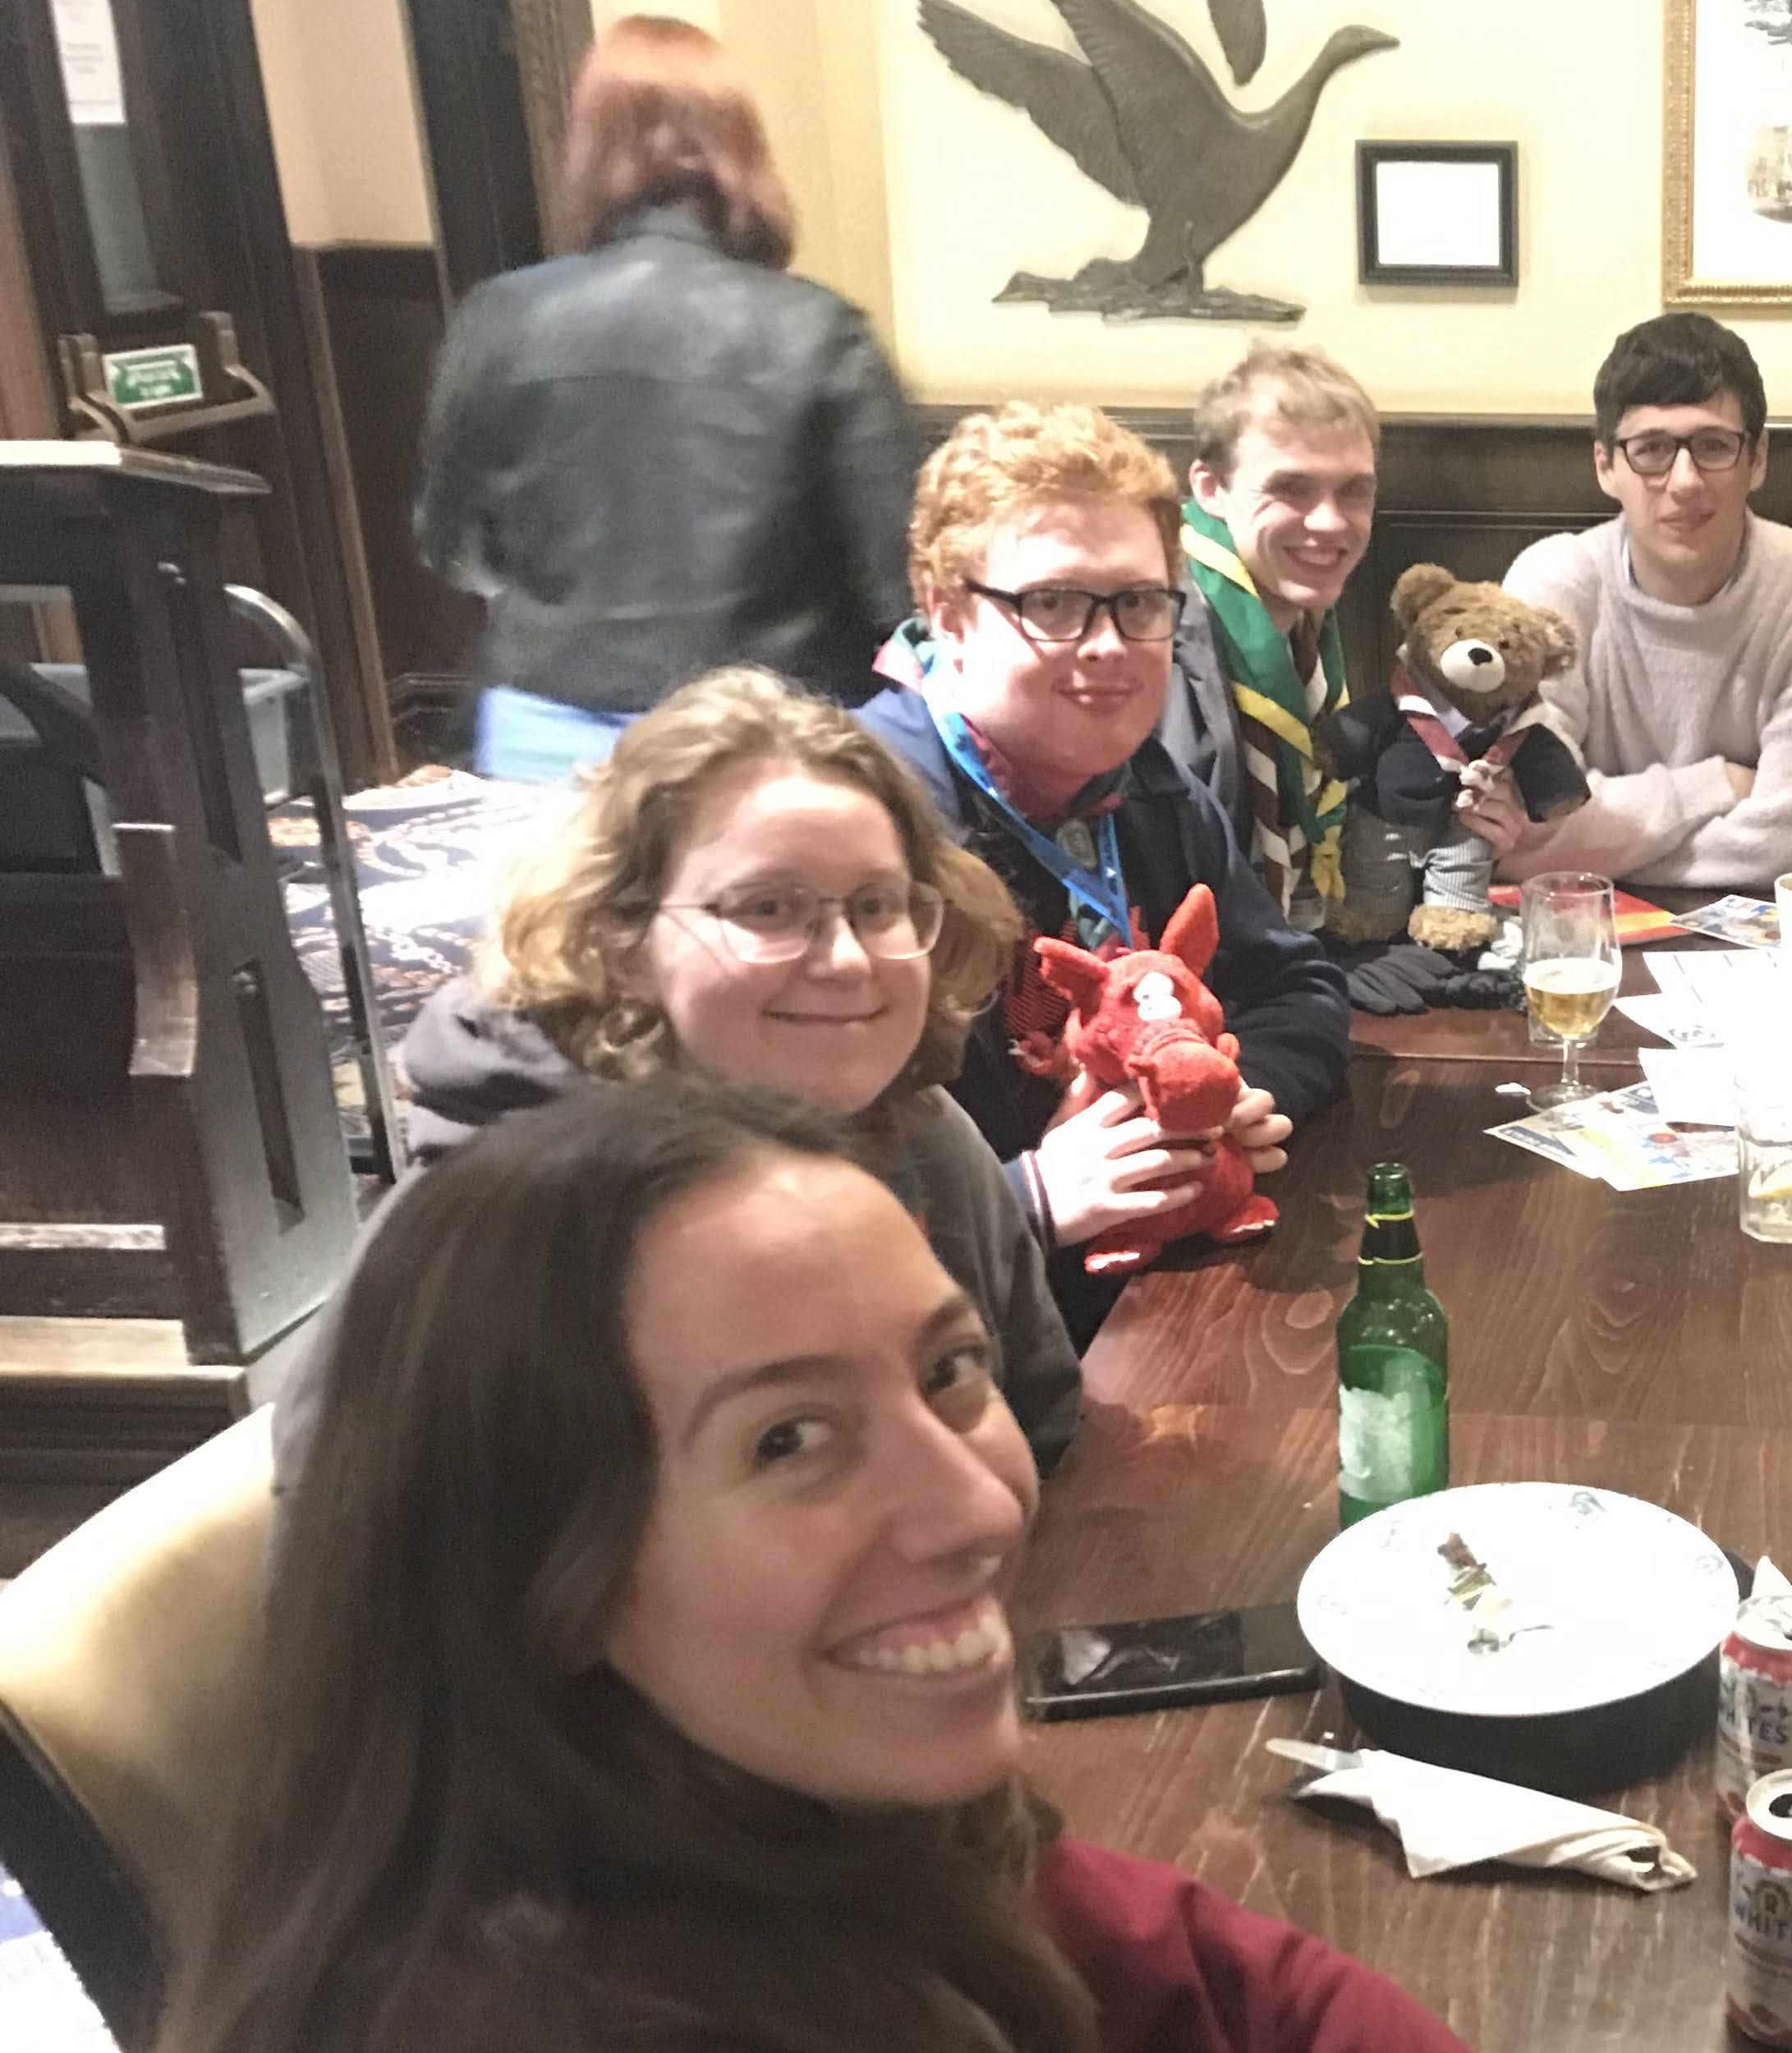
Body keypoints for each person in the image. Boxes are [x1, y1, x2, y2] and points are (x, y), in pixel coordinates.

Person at [125, 1082, 1726, 2053]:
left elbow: (1241, 2019)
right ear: (534, 1567)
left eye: (950, 1369)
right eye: (790, 1439)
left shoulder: (747, 1824)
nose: (969, 1506)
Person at [268, 668, 1080, 1495]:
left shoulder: (922, 1134)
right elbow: (394, 1609)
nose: (845, 958)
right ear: (620, 944)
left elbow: (1046, 1441)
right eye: (769, 909)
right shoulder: (486, 1255)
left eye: (878, 906)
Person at [862, 403, 1350, 1347]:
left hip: (1153, 1308)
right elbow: (782, 1210)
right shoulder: (860, 841)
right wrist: (1031, 1196)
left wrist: (1245, 1095)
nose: (1107, 645)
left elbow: (1297, 989)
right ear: (949, 614)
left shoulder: (1150, 790)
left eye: (1137, 602)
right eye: (1051, 603)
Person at [415, 17, 921, 783]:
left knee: (565, 907)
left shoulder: (503, 318)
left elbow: (452, 544)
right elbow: (897, 584)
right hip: (765, 742)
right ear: (745, 151)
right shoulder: (820, 332)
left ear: (587, 151)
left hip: (549, 734)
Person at [1462, 313, 1792, 890]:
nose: (1684, 481)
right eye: (1652, 449)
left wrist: (1566, 848)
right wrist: (1714, 786)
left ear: (1757, 459)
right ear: (1606, 466)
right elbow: (1517, 823)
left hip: (1766, 940)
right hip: (1576, 933)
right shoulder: (1554, 583)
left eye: (1713, 446)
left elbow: (1791, 848)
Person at [1159, 345, 1382, 931]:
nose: (1331, 522)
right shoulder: (1158, 634)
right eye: (1292, 488)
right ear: (1210, 489)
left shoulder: (1306, 617)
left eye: (1354, 490)